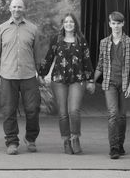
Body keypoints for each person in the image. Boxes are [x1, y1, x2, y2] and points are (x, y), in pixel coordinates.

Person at [0, 0, 42, 155]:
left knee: (33, 109)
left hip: (28, 75)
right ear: (9, 8)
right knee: (8, 110)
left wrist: (39, 74)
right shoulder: (2, 28)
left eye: (19, 7)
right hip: (8, 75)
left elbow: (37, 54)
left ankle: (31, 138)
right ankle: (12, 142)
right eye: (14, 7)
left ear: (24, 9)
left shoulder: (33, 29)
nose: (17, 9)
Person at [38, 12, 95, 154]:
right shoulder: (56, 40)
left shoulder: (81, 40)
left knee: (74, 110)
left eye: (71, 22)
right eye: (66, 22)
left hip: (78, 79)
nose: (69, 24)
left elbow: (87, 60)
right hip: (59, 80)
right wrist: (41, 74)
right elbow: (49, 58)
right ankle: (66, 140)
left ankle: (75, 137)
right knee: (63, 112)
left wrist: (91, 80)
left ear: (75, 24)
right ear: (63, 24)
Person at [94, 10, 130, 159]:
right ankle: (113, 147)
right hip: (109, 83)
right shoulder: (104, 43)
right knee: (113, 114)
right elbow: (100, 64)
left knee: (122, 116)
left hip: (125, 83)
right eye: (113, 23)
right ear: (109, 24)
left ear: (123, 24)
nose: (116, 26)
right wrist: (92, 81)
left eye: (119, 23)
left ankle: (120, 144)